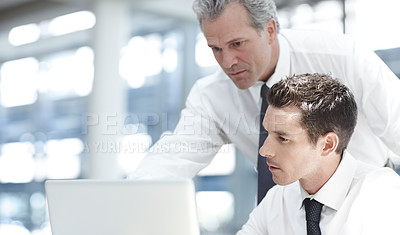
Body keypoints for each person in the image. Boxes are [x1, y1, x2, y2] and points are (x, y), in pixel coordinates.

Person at [129, 0, 400, 201]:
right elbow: (173, 158)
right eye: (216, 48)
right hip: (289, 220)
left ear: (270, 30)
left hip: (366, 203)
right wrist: (128, 199)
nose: (227, 62)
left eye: (237, 44)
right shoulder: (212, 95)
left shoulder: (339, 57)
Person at [211, 73, 400, 235]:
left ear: (327, 145)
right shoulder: (278, 200)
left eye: (283, 138)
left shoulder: (380, 192)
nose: (264, 150)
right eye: (267, 133)